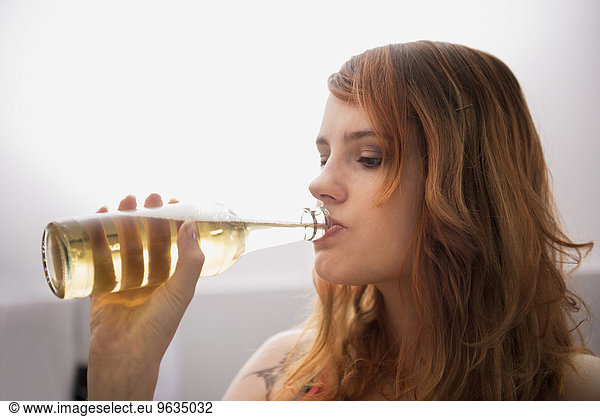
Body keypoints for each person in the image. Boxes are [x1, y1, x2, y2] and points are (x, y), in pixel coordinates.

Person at [88, 41, 600, 400]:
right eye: (323, 156)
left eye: (369, 157)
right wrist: (122, 374)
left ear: (464, 184)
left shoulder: (578, 393)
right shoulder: (282, 375)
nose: (318, 185)